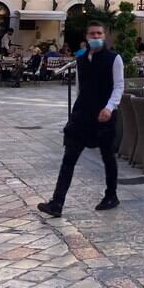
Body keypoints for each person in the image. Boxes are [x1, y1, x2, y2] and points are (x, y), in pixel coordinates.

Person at [38, 20, 123, 217]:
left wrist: (110, 107)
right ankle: (57, 203)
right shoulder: (81, 59)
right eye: (92, 34)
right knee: (69, 158)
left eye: (99, 34)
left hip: (104, 115)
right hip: (82, 116)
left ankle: (111, 195)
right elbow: (79, 88)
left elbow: (119, 86)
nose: (96, 37)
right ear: (86, 37)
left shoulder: (114, 59)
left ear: (104, 36)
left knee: (108, 156)